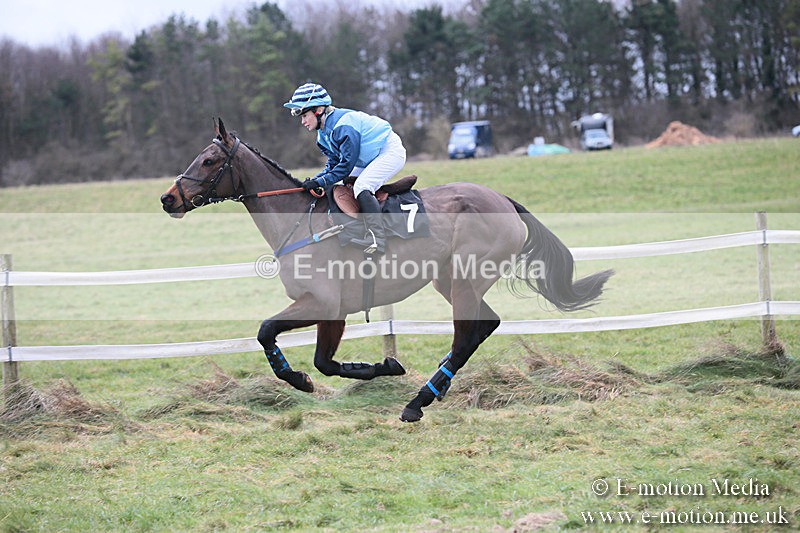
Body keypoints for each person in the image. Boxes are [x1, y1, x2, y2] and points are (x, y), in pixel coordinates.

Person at [283, 82, 406, 254]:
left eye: (304, 115)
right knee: (338, 185)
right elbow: (333, 164)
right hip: (368, 159)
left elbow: (346, 165)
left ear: (318, 110)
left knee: (362, 186)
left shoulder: (343, 127)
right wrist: (316, 180)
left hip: (389, 151)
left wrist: (321, 180)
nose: (302, 121)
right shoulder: (322, 135)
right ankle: (353, 228)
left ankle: (379, 239)